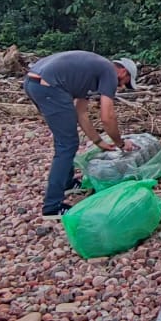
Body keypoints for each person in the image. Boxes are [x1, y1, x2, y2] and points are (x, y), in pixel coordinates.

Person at [24, 51, 140, 218]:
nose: (121, 87)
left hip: (33, 82)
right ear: (123, 71)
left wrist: (98, 141)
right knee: (67, 144)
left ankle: (67, 182)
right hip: (48, 86)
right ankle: (52, 207)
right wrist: (121, 143)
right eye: (125, 83)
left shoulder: (88, 73)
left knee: (65, 138)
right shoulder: (109, 72)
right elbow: (107, 117)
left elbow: (81, 112)